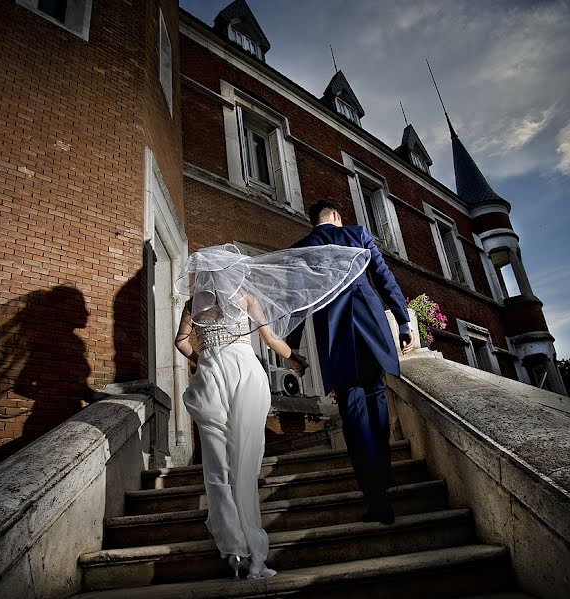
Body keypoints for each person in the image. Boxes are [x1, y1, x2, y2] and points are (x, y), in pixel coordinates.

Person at [173, 243, 369, 579]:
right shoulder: (246, 297)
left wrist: (202, 357)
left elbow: (181, 342)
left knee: (216, 465)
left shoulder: (194, 304)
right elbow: (270, 339)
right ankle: (256, 558)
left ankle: (233, 550)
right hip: (245, 375)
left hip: (210, 378)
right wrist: (294, 357)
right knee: (246, 463)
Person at [287, 200, 413, 525]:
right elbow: (384, 277)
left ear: (313, 221)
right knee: (376, 399)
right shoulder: (357, 234)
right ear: (337, 217)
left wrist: (292, 349)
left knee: (354, 414)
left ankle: (376, 500)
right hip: (370, 326)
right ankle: (384, 480)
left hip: (336, 334)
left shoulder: (303, 248)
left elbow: (300, 303)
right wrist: (402, 321)